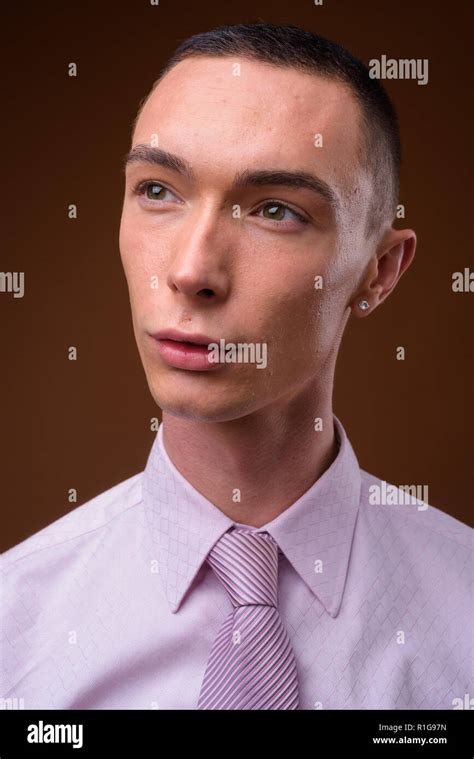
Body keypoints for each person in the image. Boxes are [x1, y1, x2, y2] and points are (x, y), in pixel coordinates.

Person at [1, 23, 471, 711]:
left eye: (275, 210)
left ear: (379, 271)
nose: (191, 271)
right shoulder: (15, 626)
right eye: (158, 191)